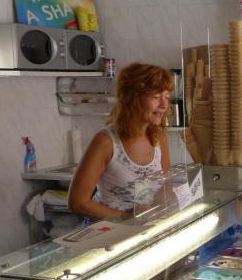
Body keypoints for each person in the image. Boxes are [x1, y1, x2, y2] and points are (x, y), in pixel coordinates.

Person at [69, 63, 172, 220]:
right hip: (111, 229)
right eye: (156, 97)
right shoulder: (106, 142)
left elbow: (165, 186)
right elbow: (77, 202)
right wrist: (128, 218)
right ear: (133, 99)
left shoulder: (158, 137)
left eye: (166, 97)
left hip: (145, 227)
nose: (164, 105)